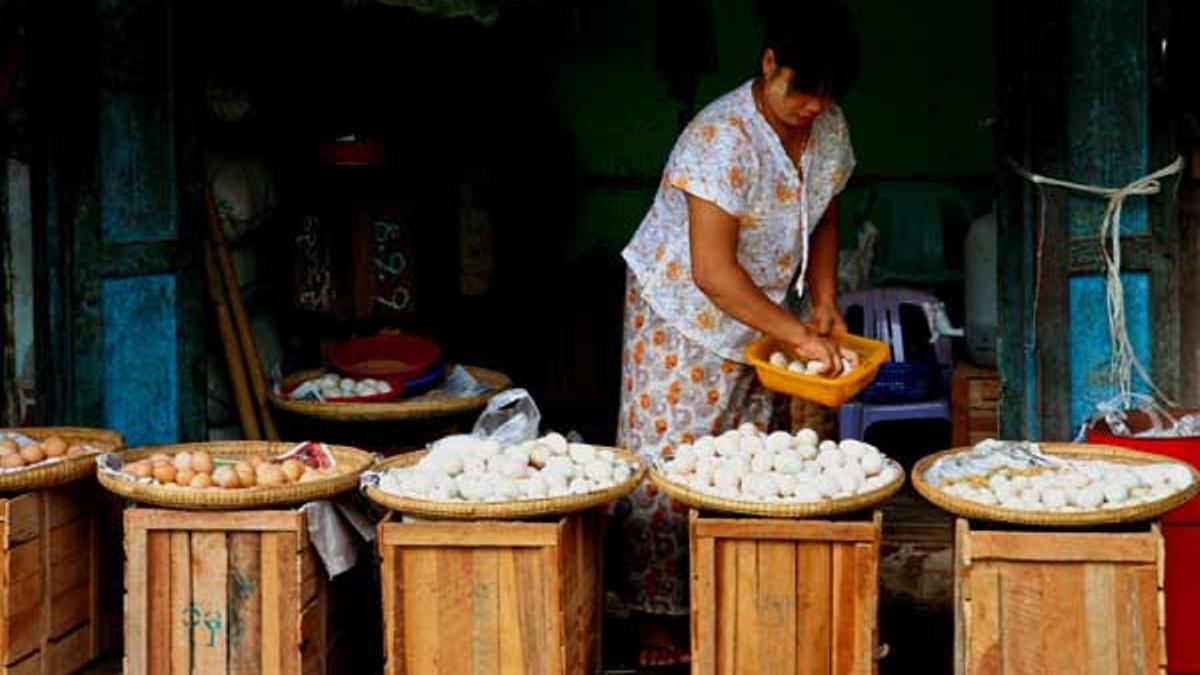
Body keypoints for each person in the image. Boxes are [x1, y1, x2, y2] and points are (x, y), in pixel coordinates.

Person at [611, 0, 860, 666]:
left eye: (828, 93)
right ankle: (654, 619)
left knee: (743, 453)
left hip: (763, 307)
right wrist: (798, 336)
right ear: (770, 62)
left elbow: (826, 210)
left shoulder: (827, 126)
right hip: (680, 309)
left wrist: (825, 302)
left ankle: (731, 594)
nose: (814, 105)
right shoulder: (720, 138)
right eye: (803, 89)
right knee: (672, 457)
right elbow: (713, 273)